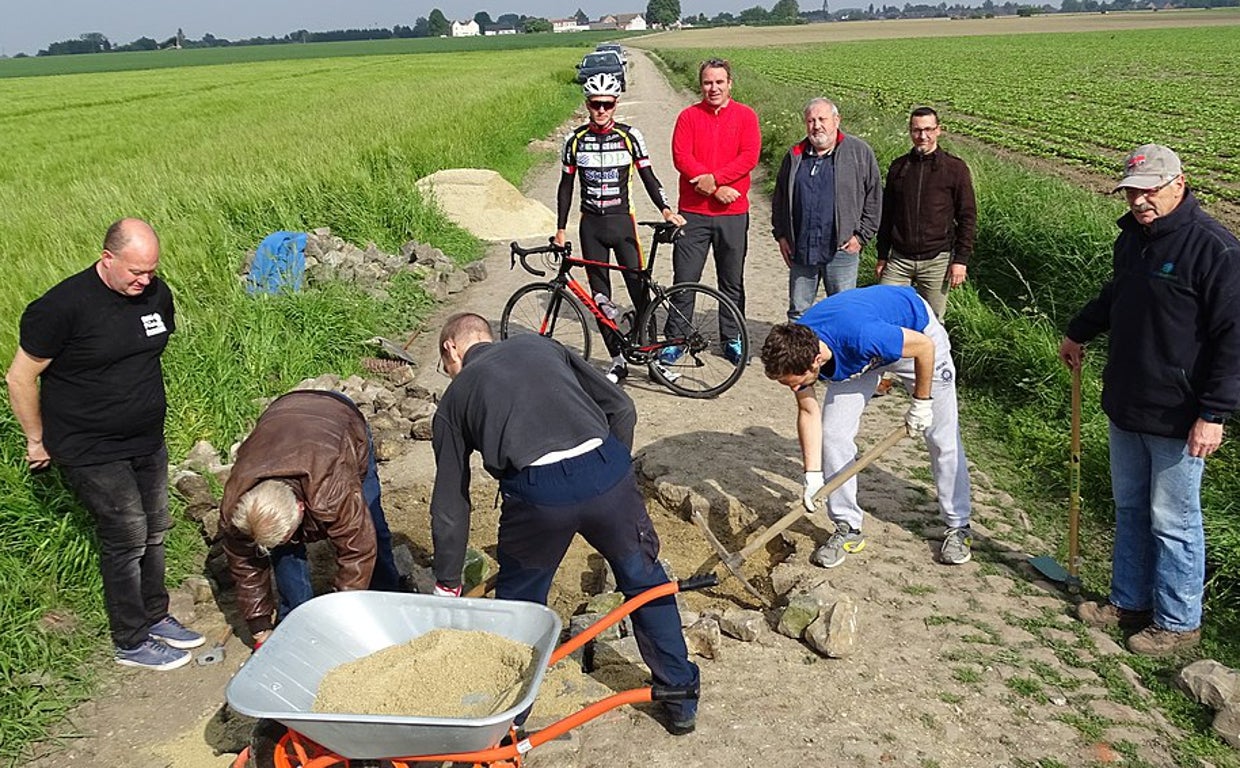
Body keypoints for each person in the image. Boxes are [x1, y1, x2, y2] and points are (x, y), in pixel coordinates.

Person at [430, 313, 699, 735]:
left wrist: (448, 582)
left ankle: (509, 721)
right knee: (646, 582)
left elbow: (451, 500)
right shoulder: (541, 345)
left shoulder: (456, 395)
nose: (448, 372)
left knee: (521, 606)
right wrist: (610, 472)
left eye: (444, 365)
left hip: (537, 497)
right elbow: (622, 407)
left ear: (452, 348)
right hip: (607, 475)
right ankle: (680, 697)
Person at [1059, 144, 1240, 656]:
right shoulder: (1133, 240)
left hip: (1179, 413)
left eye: (1149, 191)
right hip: (1128, 399)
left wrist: (1213, 413)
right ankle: (1129, 601)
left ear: (1179, 183)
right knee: (1132, 507)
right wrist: (1079, 330)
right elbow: (1117, 296)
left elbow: (1233, 339)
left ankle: (1179, 622)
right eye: (1131, 192)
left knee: (1174, 520)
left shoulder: (1216, 250)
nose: (1139, 201)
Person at [6, 218, 204, 671]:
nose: (144, 281)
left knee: (156, 527)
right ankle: (130, 640)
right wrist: (35, 440)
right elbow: (19, 378)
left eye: (151, 271)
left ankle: (155, 615)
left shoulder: (155, 294)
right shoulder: (60, 308)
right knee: (128, 533)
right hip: (89, 445)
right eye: (135, 271)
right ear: (107, 258)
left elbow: (144, 354)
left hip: (146, 437)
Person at [760, 285, 973, 568]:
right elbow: (808, 411)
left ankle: (959, 526)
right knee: (833, 435)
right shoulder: (795, 349)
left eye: (796, 383)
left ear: (816, 361)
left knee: (941, 437)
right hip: (861, 355)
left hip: (915, 338)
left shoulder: (862, 335)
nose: (794, 388)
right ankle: (847, 526)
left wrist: (922, 403)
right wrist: (812, 475)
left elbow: (924, 347)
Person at [219, 389, 402, 647]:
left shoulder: (333, 490)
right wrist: (259, 626)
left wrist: (340, 616)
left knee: (372, 526)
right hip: (282, 417)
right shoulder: (237, 507)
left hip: (340, 419)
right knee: (283, 549)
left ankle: (388, 598)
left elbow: (358, 550)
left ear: (301, 507)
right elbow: (244, 565)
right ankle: (296, 619)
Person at [555, 72, 685, 384]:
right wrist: (560, 229)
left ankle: (653, 360)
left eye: (607, 104)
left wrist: (666, 209)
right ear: (587, 104)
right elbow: (565, 187)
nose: (601, 110)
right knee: (601, 299)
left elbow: (649, 177)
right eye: (595, 104)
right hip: (591, 227)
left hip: (623, 224)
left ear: (616, 104)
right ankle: (617, 361)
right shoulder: (575, 141)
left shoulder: (630, 136)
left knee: (640, 293)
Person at [666, 58, 761, 366]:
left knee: (731, 280)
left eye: (719, 82)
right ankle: (676, 338)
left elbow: (749, 157)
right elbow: (682, 157)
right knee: (685, 278)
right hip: (692, 213)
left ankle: (732, 337)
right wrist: (715, 190)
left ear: (730, 83)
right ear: (701, 85)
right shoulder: (688, 117)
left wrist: (714, 181)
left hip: (733, 214)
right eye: (708, 82)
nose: (713, 88)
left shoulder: (746, 116)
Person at [771, 97, 881, 320]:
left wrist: (861, 236)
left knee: (843, 311)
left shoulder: (859, 152)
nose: (816, 126)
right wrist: (781, 235)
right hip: (802, 248)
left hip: (841, 248)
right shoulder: (795, 155)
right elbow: (780, 199)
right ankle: (800, 344)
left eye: (822, 119)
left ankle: (838, 345)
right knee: (799, 311)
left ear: (836, 120)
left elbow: (874, 197)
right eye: (811, 121)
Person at [876, 106, 977, 320]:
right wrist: (882, 255)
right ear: (910, 131)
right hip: (899, 260)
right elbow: (887, 214)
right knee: (885, 313)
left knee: (933, 320)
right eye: (917, 130)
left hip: (937, 260)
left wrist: (961, 260)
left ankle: (930, 344)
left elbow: (967, 216)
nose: (923, 136)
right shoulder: (898, 167)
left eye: (928, 129)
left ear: (938, 130)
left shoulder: (955, 169)